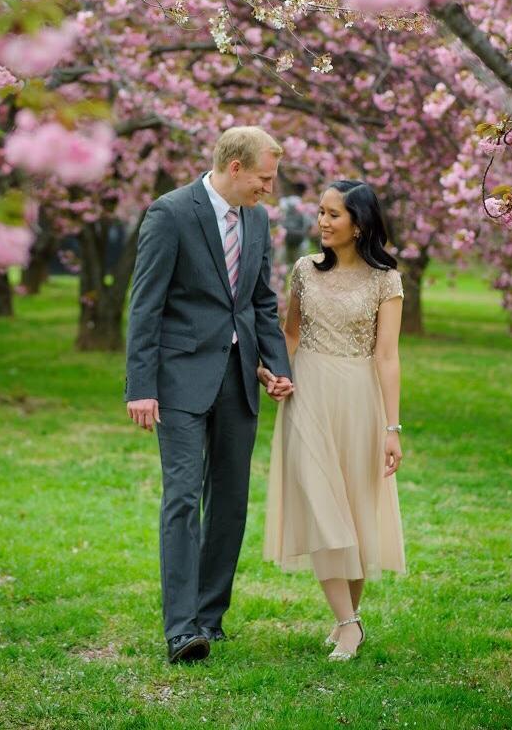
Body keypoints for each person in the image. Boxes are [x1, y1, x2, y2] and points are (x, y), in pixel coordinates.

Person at [125, 125, 294, 664]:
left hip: (239, 377)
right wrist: (141, 387)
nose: (269, 189)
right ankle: (181, 630)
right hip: (177, 381)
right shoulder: (170, 213)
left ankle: (209, 617)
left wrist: (276, 366)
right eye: (264, 179)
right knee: (181, 499)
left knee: (230, 502)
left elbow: (261, 302)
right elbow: (145, 305)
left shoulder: (258, 220)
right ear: (236, 167)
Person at [263, 180, 406, 662]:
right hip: (308, 396)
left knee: (357, 511)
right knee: (323, 507)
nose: (321, 222)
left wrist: (392, 428)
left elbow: (388, 357)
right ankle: (348, 623)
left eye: (333, 215)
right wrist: (276, 375)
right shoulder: (304, 270)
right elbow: (291, 333)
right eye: (320, 212)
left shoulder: (387, 280)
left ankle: (349, 622)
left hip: (359, 400)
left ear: (359, 223)